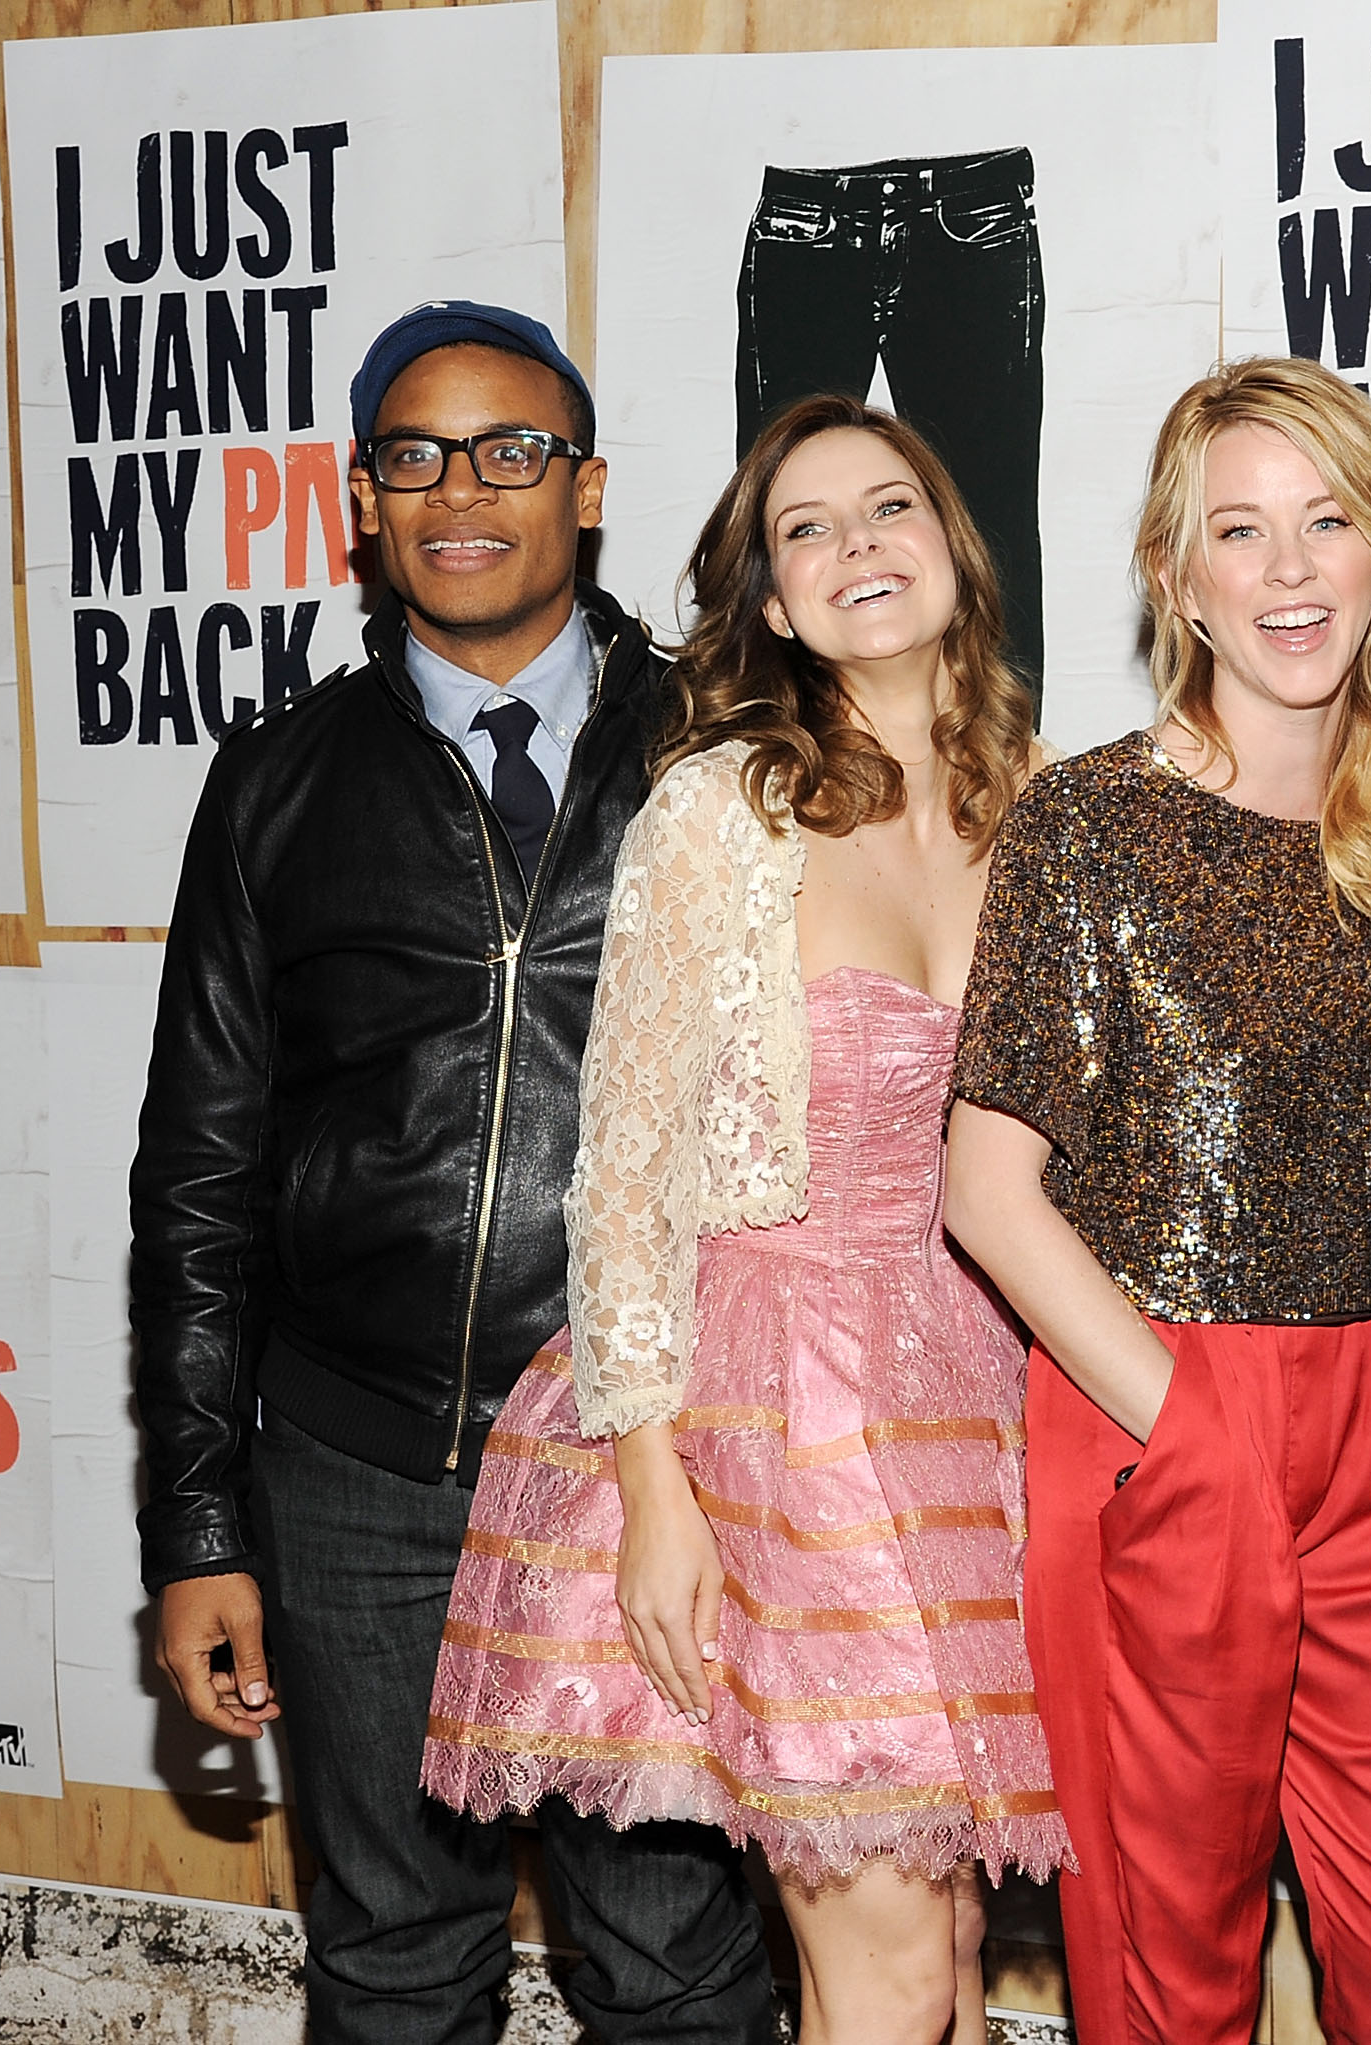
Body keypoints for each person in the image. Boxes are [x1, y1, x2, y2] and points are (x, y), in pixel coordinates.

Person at [131, 303, 775, 2041]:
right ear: (364, 500)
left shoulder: (732, 751)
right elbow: (197, 1179)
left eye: (511, 451)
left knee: (674, 1968)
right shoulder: (276, 782)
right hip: (359, 1472)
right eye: (414, 457)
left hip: (650, 1458)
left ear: (587, 489)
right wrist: (197, 1521)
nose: (462, 491)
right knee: (394, 1962)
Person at [421, 394, 1069, 2045]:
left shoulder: (1049, 805)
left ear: (954, 548)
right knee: (887, 1960)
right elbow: (625, 1169)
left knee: (954, 1934)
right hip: (779, 1411)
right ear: (773, 603)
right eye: (807, 528)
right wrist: (656, 1491)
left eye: (890, 506)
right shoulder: (724, 810)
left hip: (985, 1395)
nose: (858, 544)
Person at [944, 355, 1371, 2045]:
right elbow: (986, 1187)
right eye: (1239, 532)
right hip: (1155, 1406)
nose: (1290, 568)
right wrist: (1188, 1428)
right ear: (1177, 579)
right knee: (1168, 1974)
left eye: (1328, 521)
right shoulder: (1090, 821)